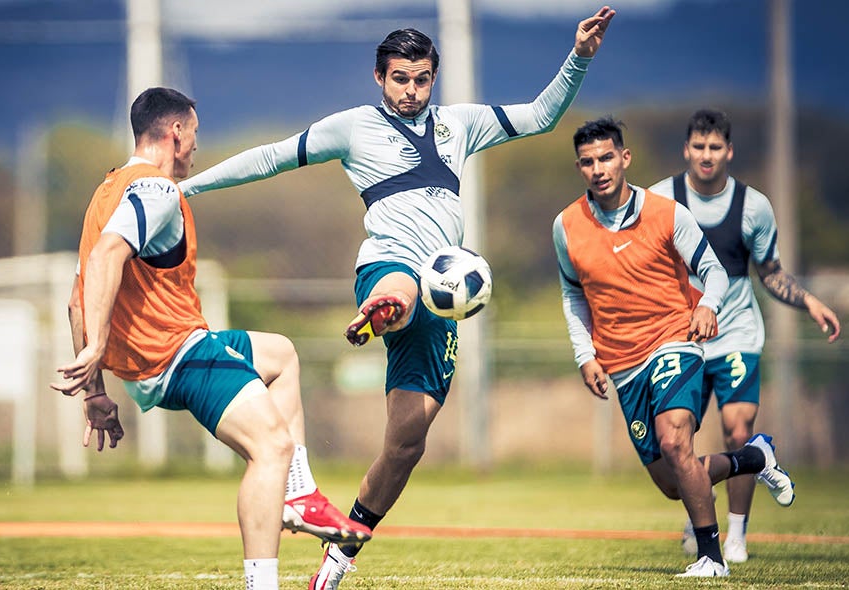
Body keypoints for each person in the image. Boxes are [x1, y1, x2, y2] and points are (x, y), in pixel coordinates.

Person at [176, 8, 615, 589]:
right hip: (389, 268)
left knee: (405, 444)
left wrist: (579, 55)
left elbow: (540, 115)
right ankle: (381, 312)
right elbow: (271, 156)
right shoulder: (354, 127)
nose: (412, 89)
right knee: (403, 284)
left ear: (434, 77)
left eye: (423, 78)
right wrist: (186, 187)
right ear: (379, 78)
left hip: (443, 300)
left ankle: (342, 553)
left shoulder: (460, 123)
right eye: (401, 78)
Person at [49, 87, 372, 590]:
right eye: (194, 134)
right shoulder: (156, 190)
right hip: (174, 353)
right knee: (271, 445)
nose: (196, 147)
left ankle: (298, 493)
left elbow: (76, 298)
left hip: (153, 358)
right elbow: (106, 257)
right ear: (175, 132)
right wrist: (95, 352)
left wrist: (94, 390)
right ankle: (263, 578)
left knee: (281, 354)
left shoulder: (106, 191)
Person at [552, 117, 797, 578]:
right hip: (622, 366)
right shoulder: (565, 226)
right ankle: (755, 457)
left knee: (674, 440)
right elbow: (572, 296)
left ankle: (712, 557)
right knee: (672, 481)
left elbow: (717, 271)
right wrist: (585, 354)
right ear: (579, 167)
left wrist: (707, 306)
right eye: (587, 162)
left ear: (625, 159)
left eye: (606, 157)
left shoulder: (666, 213)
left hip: (673, 342)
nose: (598, 168)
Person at [648, 108, 841, 563]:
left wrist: (809, 301)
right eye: (699, 147)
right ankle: (701, 515)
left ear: (729, 151)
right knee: (676, 445)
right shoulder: (662, 201)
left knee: (737, 430)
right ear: (686, 150)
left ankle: (735, 535)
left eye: (715, 147)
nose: (707, 155)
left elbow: (770, 272)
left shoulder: (753, 206)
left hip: (736, 333)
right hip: (682, 337)